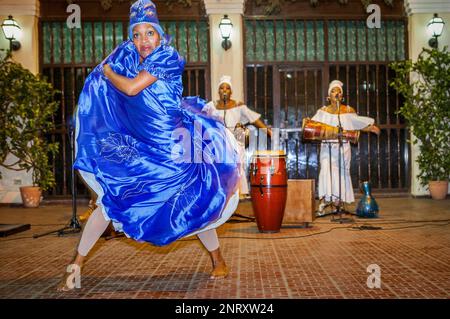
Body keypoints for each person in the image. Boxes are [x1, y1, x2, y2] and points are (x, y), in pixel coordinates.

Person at [57, 0, 240, 291]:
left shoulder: (168, 56)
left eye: (149, 33)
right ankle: (76, 263)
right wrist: (105, 71)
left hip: (174, 150)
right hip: (141, 148)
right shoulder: (130, 55)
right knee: (110, 201)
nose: (143, 41)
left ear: (159, 34)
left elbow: (130, 88)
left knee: (193, 204)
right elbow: (113, 75)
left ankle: (218, 259)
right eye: (137, 34)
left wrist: (105, 72)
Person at [311, 80, 380, 213]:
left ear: (342, 96)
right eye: (333, 91)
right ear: (328, 96)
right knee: (326, 170)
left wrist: (370, 128)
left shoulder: (348, 110)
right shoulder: (322, 111)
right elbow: (312, 126)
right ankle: (325, 200)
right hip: (327, 147)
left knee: (341, 173)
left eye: (338, 91)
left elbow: (357, 123)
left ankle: (339, 201)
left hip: (343, 148)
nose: (336, 93)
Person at [202, 75, 272, 198]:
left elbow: (254, 119)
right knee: (220, 167)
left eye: (227, 88)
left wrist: (268, 132)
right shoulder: (211, 106)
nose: (224, 90)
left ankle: (241, 193)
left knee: (238, 166)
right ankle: (221, 194)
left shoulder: (238, 106)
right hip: (219, 141)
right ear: (218, 91)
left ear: (231, 91)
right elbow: (200, 118)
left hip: (236, 139)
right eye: (222, 88)